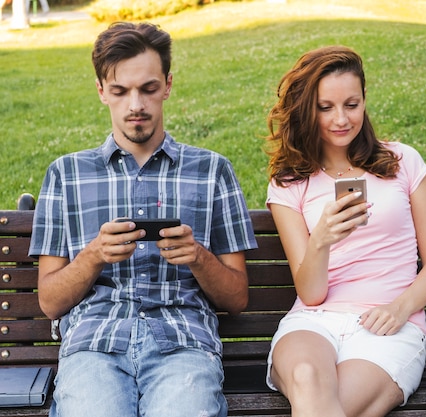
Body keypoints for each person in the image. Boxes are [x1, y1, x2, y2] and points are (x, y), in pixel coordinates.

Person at [28, 22, 257, 417]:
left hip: (183, 342)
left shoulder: (212, 170)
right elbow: (50, 302)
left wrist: (197, 257)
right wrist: (94, 255)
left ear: (167, 85)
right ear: (102, 91)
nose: (136, 105)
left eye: (148, 89)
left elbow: (236, 299)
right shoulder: (66, 174)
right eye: (120, 91)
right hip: (94, 344)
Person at [263, 45, 426, 417]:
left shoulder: (401, 162)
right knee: (307, 377)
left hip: (389, 324)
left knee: (337, 406)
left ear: (364, 101)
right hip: (313, 322)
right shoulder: (288, 183)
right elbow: (311, 294)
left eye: (352, 104)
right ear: (306, 109)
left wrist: (401, 308)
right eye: (325, 107)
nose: (341, 119)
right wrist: (322, 241)